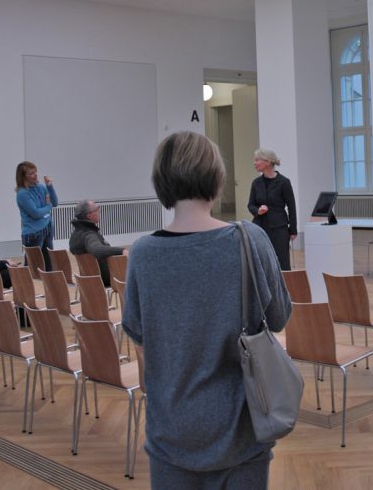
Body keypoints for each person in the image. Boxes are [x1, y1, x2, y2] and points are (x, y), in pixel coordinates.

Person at [122, 131, 292, 488]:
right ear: (217, 179)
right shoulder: (251, 240)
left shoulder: (142, 254)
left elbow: (139, 332)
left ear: (161, 182)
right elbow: (279, 317)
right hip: (242, 429)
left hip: (171, 427)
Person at [247, 148, 297, 272]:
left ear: (268, 161)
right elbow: (250, 205)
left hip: (279, 228)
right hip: (259, 227)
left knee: (282, 262)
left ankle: (285, 289)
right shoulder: (256, 183)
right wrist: (257, 211)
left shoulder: (284, 182)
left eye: (257, 160)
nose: (255, 163)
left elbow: (291, 206)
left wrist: (293, 230)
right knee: (261, 260)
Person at [68, 199, 125, 286]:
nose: (99, 211)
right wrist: (122, 251)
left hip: (89, 277)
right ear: (89, 215)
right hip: (106, 278)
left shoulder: (76, 234)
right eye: (97, 209)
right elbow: (97, 250)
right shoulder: (89, 234)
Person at [15, 161, 57, 271]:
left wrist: (50, 186)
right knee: (33, 265)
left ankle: (49, 286)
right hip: (33, 232)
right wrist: (48, 206)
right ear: (23, 176)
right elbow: (36, 214)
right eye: (31, 173)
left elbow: (55, 202)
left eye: (35, 172)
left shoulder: (41, 187)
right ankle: (26, 287)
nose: (35, 175)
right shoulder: (22, 193)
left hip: (47, 227)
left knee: (48, 263)